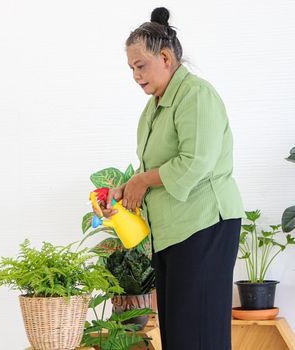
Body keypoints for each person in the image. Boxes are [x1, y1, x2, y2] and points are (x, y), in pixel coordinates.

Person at [96, 7, 246, 350]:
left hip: (205, 224)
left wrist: (144, 181)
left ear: (165, 57)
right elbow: (151, 165)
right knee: (178, 334)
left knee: (199, 334)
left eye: (140, 65)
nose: (135, 75)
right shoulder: (154, 107)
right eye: (131, 68)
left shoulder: (196, 95)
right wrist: (123, 190)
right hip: (173, 233)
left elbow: (197, 162)